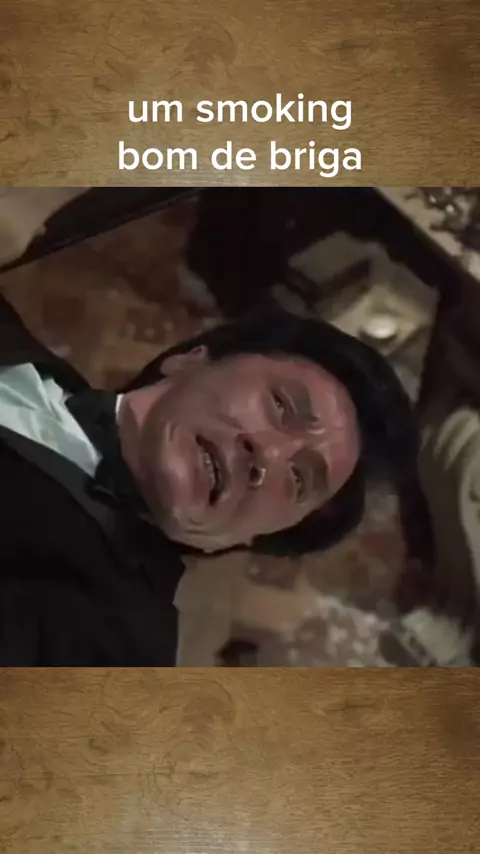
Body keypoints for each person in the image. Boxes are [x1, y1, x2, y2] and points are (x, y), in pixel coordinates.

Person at [0, 293, 432, 665]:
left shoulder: (112, 644)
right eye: (280, 406)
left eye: (299, 480)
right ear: (190, 360)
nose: (268, 455)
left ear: (248, 538)